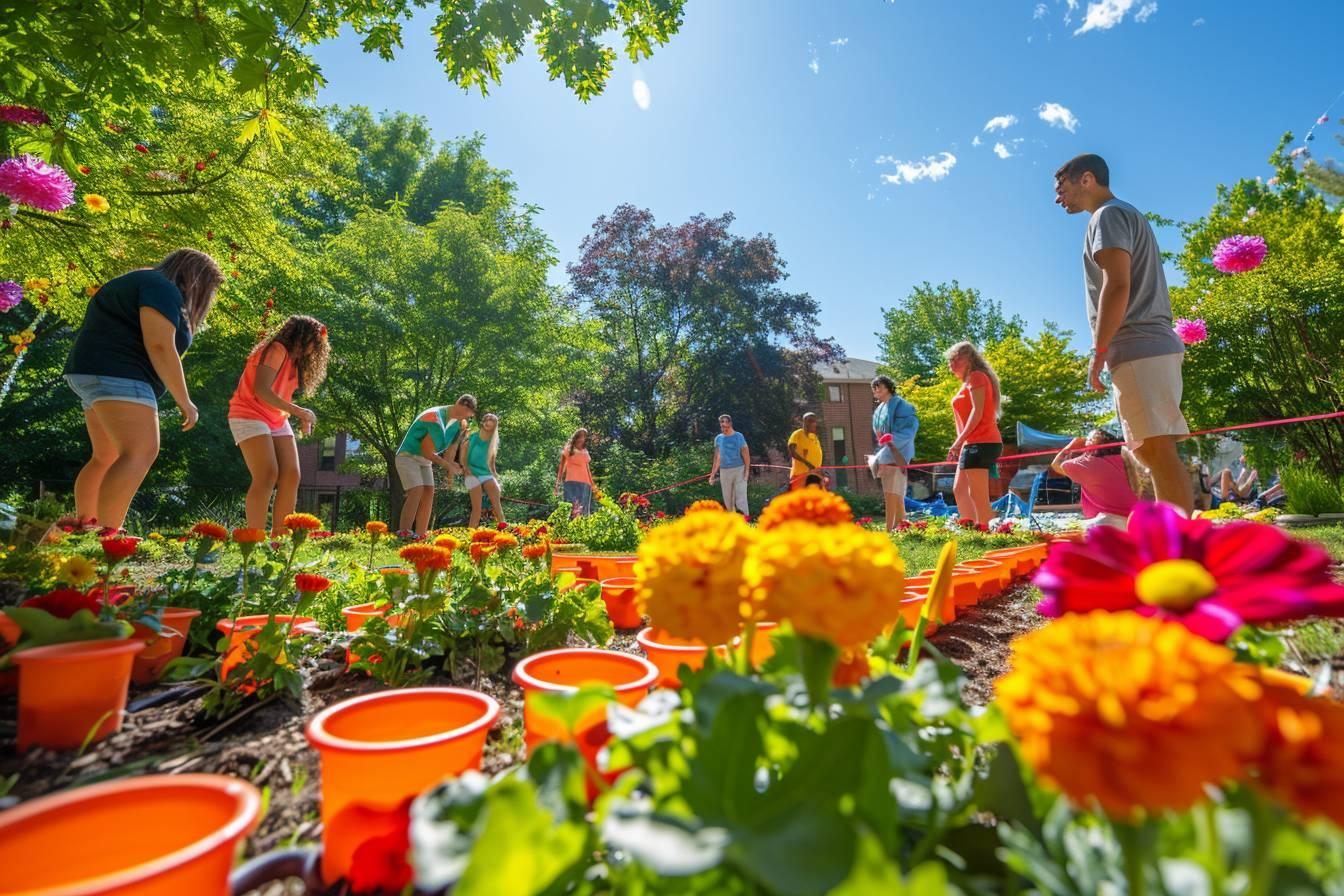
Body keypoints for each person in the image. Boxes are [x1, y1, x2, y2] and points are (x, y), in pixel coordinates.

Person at [1055, 153, 1193, 515]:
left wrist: (1098, 352)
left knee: (1157, 450)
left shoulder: (1108, 215)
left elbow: (1117, 285)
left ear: (1087, 179)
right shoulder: (1120, 214)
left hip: (1139, 344)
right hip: (1143, 347)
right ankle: (1170, 533)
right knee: (1150, 450)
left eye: (1061, 185)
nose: (1058, 196)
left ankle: (1177, 540)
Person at [63, 248, 223, 531]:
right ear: (195, 280)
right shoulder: (162, 288)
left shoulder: (142, 280)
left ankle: (84, 530)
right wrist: (185, 400)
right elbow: (160, 345)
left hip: (91, 373)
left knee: (105, 457)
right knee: (141, 451)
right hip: (121, 374)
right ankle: (108, 536)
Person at [228, 315, 329, 536]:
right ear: (301, 337)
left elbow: (280, 396)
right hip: (248, 413)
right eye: (314, 342)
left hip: (276, 418)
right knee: (267, 474)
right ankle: (254, 538)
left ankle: (280, 538)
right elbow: (261, 391)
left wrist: (300, 416)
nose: (315, 349)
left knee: (291, 474)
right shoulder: (276, 349)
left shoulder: (295, 361)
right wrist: (299, 411)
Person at [395, 395, 476, 537]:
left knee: (428, 491)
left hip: (424, 460)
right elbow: (426, 451)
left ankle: (421, 536)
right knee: (417, 489)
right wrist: (448, 466)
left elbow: (450, 451)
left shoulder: (457, 424)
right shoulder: (434, 418)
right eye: (465, 414)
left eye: (468, 416)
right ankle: (404, 533)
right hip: (408, 456)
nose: (465, 418)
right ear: (459, 404)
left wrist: (453, 467)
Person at [945, 342, 1002, 526]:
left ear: (969, 358)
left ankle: (989, 533)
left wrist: (957, 442)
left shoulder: (977, 376)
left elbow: (977, 413)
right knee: (960, 490)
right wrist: (960, 444)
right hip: (971, 443)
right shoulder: (968, 382)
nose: (952, 365)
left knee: (977, 495)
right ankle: (971, 530)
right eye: (950, 361)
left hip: (982, 441)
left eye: (956, 359)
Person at [1049, 429, 1138, 528]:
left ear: (1089, 447)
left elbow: (1056, 465)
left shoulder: (1088, 465)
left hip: (1111, 524)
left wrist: (1072, 445)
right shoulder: (1129, 460)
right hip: (1139, 520)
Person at [869, 375, 920, 531]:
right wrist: (883, 443)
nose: (876, 390)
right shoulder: (880, 409)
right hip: (887, 453)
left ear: (888, 387)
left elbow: (908, 429)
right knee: (895, 495)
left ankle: (889, 529)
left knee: (891, 494)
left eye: (879, 386)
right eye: (874, 387)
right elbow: (880, 434)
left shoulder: (902, 405)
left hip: (897, 453)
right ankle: (902, 526)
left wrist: (890, 441)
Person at [461, 412, 505, 528]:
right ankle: (470, 533)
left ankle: (505, 529)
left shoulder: (493, 442)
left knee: (497, 504)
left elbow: (491, 463)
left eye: (491, 420)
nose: (487, 422)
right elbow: (463, 456)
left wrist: (496, 477)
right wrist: (465, 468)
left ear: (494, 426)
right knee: (477, 507)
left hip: (486, 473)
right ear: (483, 422)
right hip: (471, 473)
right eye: (486, 419)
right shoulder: (473, 437)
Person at [708, 414, 750, 515]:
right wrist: (712, 474)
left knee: (741, 497)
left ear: (730, 423)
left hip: (739, 470)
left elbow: (746, 454)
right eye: (722, 424)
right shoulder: (718, 438)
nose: (724, 426)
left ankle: (745, 519)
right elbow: (717, 458)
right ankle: (732, 520)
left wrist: (746, 471)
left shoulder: (739, 436)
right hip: (724, 471)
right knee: (728, 499)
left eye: (726, 423)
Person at [555, 427, 595, 516]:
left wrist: (593, 485)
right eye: (580, 436)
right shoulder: (568, 449)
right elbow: (561, 467)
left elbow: (587, 469)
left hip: (585, 484)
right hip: (571, 482)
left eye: (584, 436)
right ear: (576, 437)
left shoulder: (585, 452)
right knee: (569, 509)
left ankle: (583, 525)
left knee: (583, 512)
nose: (582, 439)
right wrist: (557, 484)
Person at [787, 413, 824, 490]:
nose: (812, 423)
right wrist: (807, 463)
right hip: (800, 475)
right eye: (809, 421)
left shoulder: (814, 437)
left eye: (814, 421)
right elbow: (792, 452)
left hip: (814, 475)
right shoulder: (797, 434)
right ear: (803, 422)